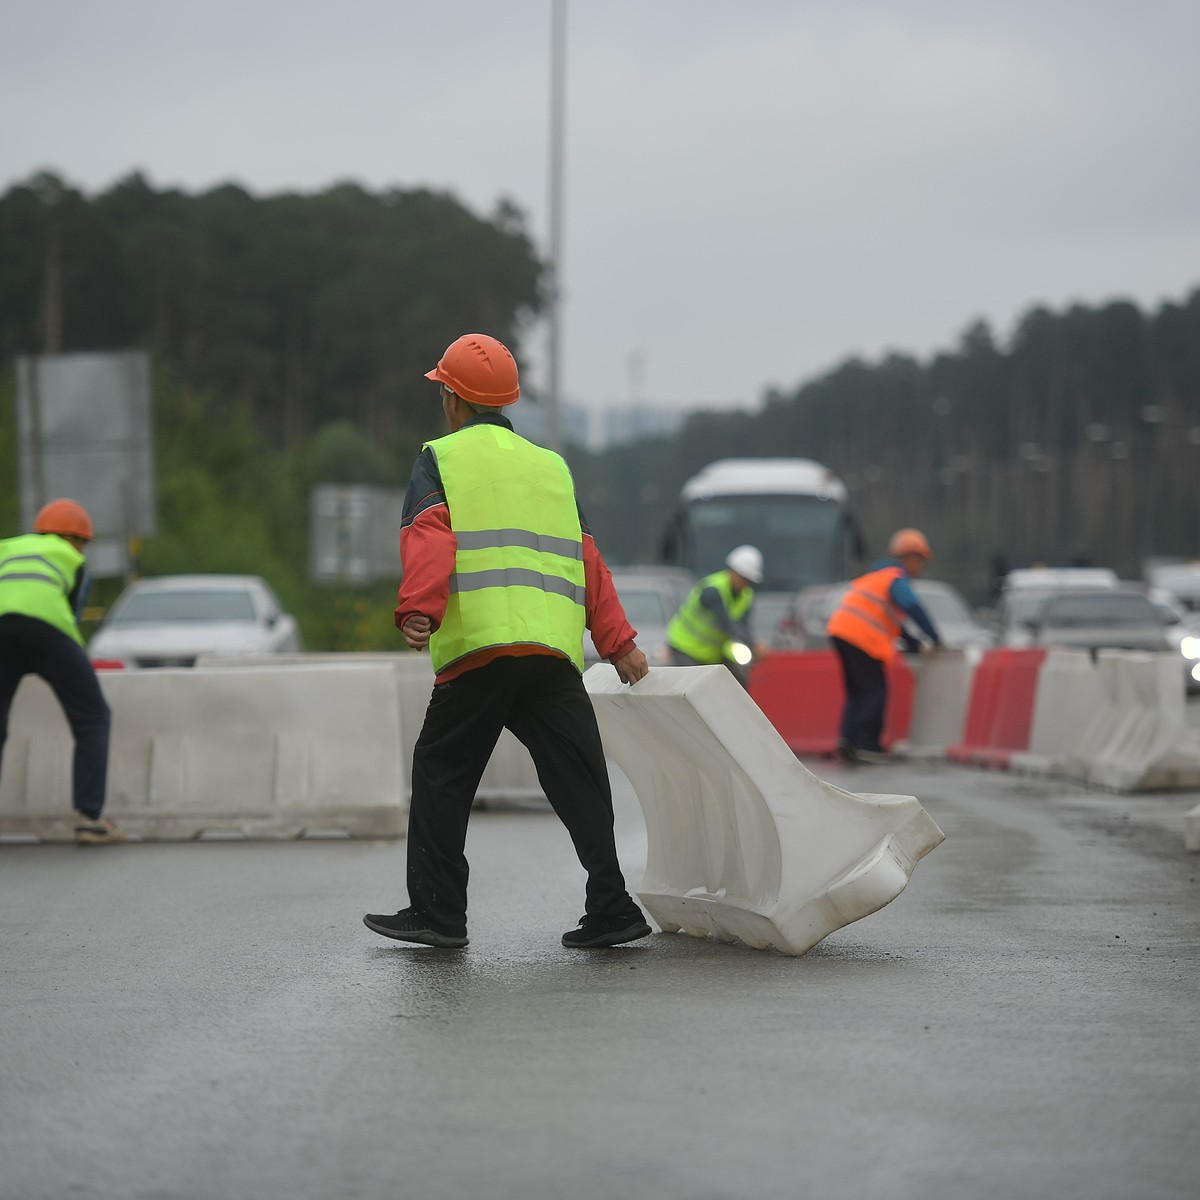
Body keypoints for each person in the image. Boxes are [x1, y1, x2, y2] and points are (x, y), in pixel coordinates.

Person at [363, 333, 652, 951]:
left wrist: (419, 609)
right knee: (579, 776)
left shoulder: (440, 458)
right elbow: (587, 557)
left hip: (481, 649)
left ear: (452, 399)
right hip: (549, 653)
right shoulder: (551, 466)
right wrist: (618, 640)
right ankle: (612, 906)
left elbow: (429, 534)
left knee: (441, 772)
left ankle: (439, 914)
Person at [0, 499, 124, 844]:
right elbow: (71, 613)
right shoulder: (72, 559)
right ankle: (90, 818)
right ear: (76, 539)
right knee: (92, 717)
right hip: (49, 631)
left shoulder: (7, 548)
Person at [826, 527, 942, 763]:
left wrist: (916, 643)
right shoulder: (897, 579)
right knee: (875, 691)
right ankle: (868, 746)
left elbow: (895, 625)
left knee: (857, 692)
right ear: (910, 558)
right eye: (920, 561)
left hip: (841, 631)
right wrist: (935, 638)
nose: (920, 568)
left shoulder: (878, 577)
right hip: (861, 638)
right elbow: (913, 608)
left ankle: (847, 741)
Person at [665, 544, 763, 687]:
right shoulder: (713, 590)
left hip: (713, 651)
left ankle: (733, 710)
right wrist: (754, 645)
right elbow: (727, 624)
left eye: (748, 580)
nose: (745, 583)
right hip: (685, 647)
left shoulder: (746, 596)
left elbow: (744, 625)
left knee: (738, 681)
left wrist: (752, 643)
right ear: (732, 571)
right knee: (690, 687)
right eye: (743, 577)